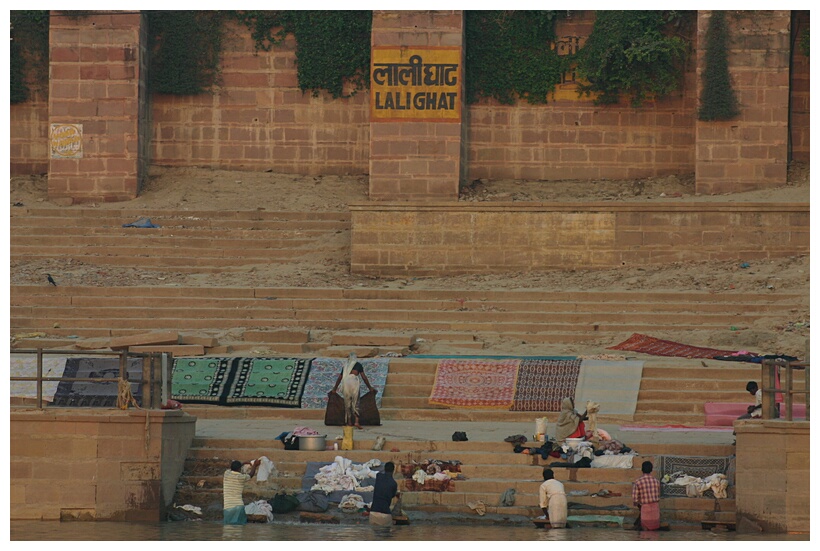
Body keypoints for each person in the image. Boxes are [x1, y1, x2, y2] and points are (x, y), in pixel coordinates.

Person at [332, 352, 374, 429]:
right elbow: (364, 378)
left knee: (347, 403)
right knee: (356, 402)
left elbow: (340, 378)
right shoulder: (358, 365)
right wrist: (370, 388)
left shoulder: (345, 366)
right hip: (354, 383)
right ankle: (356, 422)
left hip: (345, 383)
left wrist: (334, 389)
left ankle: (349, 422)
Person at [223, 459, 259, 525]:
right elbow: (251, 475)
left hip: (227, 507)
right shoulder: (241, 477)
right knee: (239, 527)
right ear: (239, 469)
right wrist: (254, 465)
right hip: (238, 506)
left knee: (228, 528)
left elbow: (233, 468)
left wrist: (243, 463)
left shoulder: (226, 473)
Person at [632, 460, 661, 531]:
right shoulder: (656, 481)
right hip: (655, 509)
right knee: (654, 533)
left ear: (642, 470)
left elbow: (635, 500)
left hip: (645, 509)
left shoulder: (638, 482)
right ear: (651, 470)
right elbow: (658, 494)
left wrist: (638, 505)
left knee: (645, 532)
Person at [369, 461, 400, 526]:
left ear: (384, 469)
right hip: (385, 514)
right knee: (386, 534)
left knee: (374, 534)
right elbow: (392, 495)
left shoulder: (379, 477)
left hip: (373, 512)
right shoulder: (394, 484)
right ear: (393, 471)